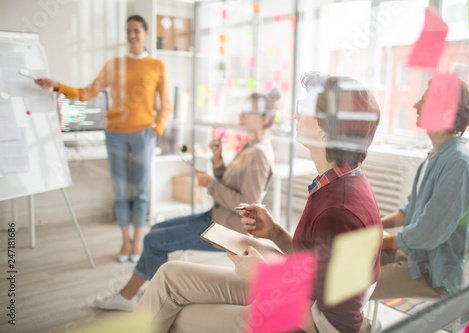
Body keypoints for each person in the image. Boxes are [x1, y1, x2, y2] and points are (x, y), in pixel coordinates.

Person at [136, 73, 383, 333]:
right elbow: (315, 260)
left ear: (325, 126)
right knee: (169, 275)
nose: (296, 116)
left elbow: (334, 327)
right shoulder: (335, 183)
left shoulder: (339, 212)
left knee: (177, 315)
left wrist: (265, 277)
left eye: (303, 109)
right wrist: (275, 232)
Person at [93, 90, 280, 311]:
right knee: (155, 230)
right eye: (242, 109)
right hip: (215, 216)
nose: (242, 115)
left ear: (265, 118)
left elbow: (246, 204)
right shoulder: (251, 146)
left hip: (226, 229)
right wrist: (218, 160)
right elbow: (232, 186)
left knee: (153, 241)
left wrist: (210, 184)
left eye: (249, 111)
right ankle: (132, 296)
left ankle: (153, 302)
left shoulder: (258, 152)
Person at [35, 15, 173, 263]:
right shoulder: (114, 65)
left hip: (144, 134)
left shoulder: (156, 65)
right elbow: (87, 93)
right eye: (128, 31)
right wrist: (58, 85)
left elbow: (166, 105)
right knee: (120, 192)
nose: (132, 35)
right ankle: (124, 239)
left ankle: (138, 238)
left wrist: (157, 129)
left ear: (146, 33)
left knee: (141, 192)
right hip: (115, 135)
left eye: (136, 31)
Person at [369, 79, 469, 301]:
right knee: (346, 265)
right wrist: (374, 227)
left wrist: (378, 242)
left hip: (432, 272)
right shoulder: (437, 155)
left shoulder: (459, 162)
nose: (416, 106)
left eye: (425, 101)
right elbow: (409, 211)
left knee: (347, 290)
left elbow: (428, 234)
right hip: (416, 256)